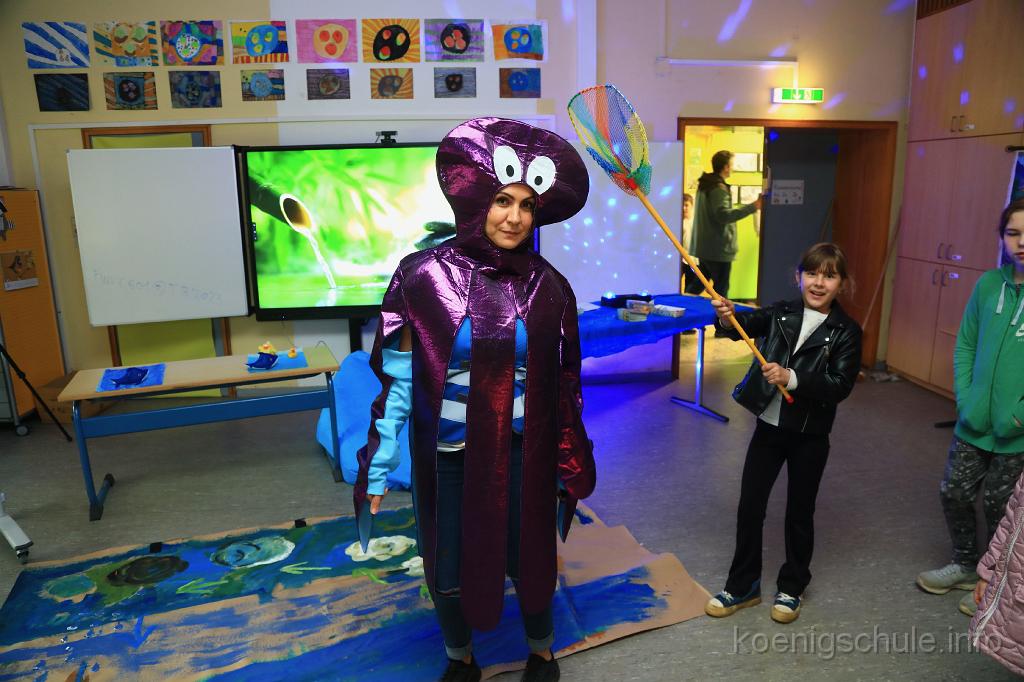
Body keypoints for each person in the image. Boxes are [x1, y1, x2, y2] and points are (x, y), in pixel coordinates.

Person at [354, 117, 596, 682]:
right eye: (503, 200)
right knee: (448, 564)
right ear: (477, 198)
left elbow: (564, 386)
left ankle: (542, 652)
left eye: (528, 205)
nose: (515, 217)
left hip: (523, 451)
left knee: (530, 556)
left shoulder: (549, 286)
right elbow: (398, 381)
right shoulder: (423, 276)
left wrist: (571, 458)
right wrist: (378, 466)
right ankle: (460, 658)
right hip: (449, 454)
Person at [703, 242, 863, 624]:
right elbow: (744, 326)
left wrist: (791, 377)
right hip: (769, 430)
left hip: (810, 436)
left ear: (842, 284)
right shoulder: (781, 313)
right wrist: (726, 317)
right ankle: (742, 585)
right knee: (750, 507)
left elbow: (839, 385)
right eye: (812, 273)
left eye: (829, 276)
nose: (819, 282)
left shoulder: (847, 332)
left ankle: (792, 586)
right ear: (798, 277)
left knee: (799, 513)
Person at [920, 198, 1024, 618]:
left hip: (1017, 433)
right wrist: (965, 398)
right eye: (1013, 233)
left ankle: (995, 580)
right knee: (954, 493)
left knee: (1002, 510)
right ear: (1002, 238)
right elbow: (965, 344)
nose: (1022, 242)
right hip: (973, 423)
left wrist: (1018, 416)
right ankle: (965, 565)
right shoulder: (987, 285)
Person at [684, 150, 762, 304]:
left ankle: (683, 309)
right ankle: (719, 319)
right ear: (726, 167)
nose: (733, 168)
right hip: (718, 249)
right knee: (721, 290)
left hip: (705, 247)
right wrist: (754, 206)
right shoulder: (718, 188)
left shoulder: (705, 185)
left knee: (698, 284)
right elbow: (724, 216)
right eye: (732, 164)